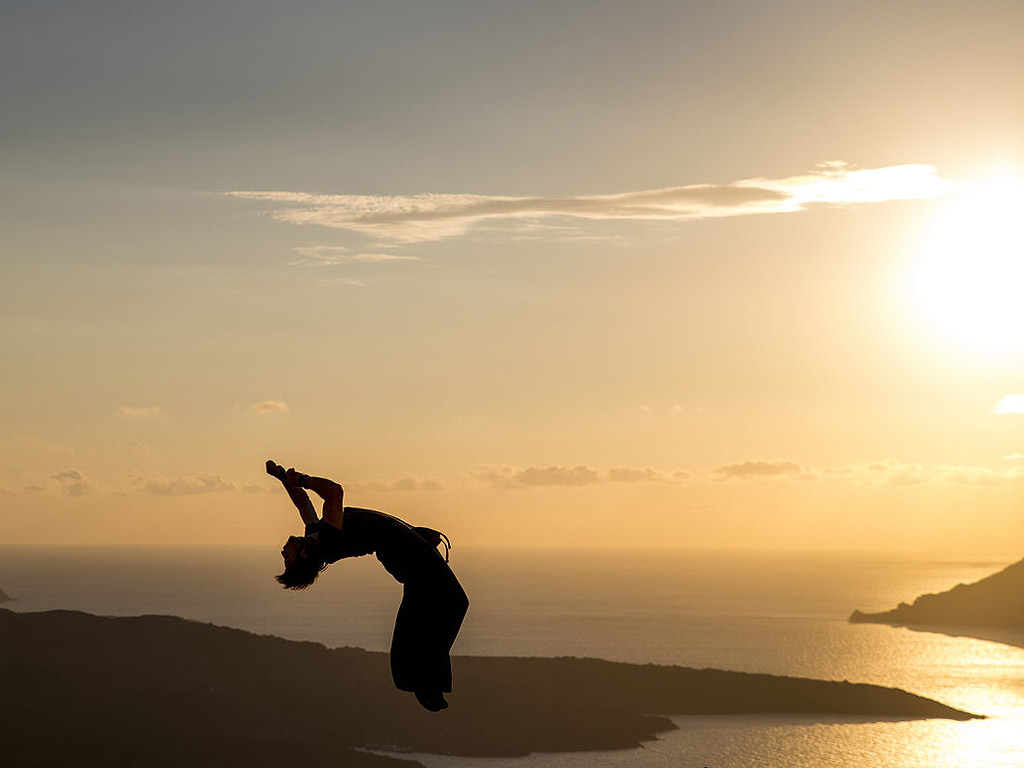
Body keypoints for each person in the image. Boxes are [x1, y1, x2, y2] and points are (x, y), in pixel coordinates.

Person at [266, 460, 469, 712]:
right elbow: (334, 492)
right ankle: (425, 687)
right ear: (304, 555)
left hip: (414, 560)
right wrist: (304, 479)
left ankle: (422, 684)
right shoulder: (329, 537)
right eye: (287, 557)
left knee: (422, 620)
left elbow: (303, 504)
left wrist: (283, 478)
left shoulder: (316, 533)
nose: (283, 550)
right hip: (416, 564)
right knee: (449, 607)